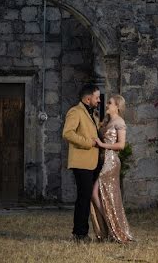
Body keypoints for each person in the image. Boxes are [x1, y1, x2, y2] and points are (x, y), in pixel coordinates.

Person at [89, 94, 134, 243]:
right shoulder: (108, 121)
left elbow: (121, 145)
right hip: (104, 160)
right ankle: (110, 228)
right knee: (104, 196)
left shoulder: (120, 122)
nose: (106, 105)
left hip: (111, 161)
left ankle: (114, 226)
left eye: (110, 103)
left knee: (95, 192)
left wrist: (102, 145)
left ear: (117, 106)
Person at [62, 83, 103, 242]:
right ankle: (79, 234)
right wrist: (88, 143)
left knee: (87, 197)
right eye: (97, 97)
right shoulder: (75, 111)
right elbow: (68, 133)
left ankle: (86, 232)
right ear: (88, 98)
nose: (99, 100)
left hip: (93, 162)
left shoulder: (93, 115)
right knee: (83, 198)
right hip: (81, 163)